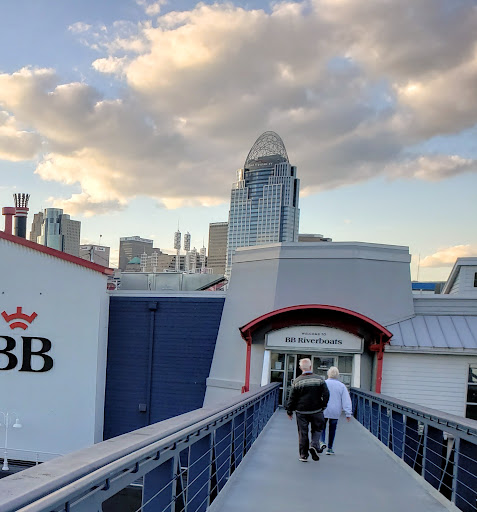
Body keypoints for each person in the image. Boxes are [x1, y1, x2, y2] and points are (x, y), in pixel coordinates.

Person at [286, 358, 330, 462]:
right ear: (311, 367)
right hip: (317, 409)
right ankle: (314, 445)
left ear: (300, 368)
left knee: (303, 432)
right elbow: (326, 394)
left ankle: (303, 455)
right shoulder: (319, 379)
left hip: (301, 411)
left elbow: (292, 398)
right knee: (317, 429)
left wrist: (289, 411)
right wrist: (323, 405)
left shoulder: (297, 381)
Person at [320, 366, 352, 455]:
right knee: (332, 429)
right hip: (335, 410)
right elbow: (346, 400)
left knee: (321, 426)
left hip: (324, 409)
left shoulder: (323, 383)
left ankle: (322, 441)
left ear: (328, 374)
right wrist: (348, 413)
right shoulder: (341, 386)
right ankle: (330, 448)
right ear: (338, 375)